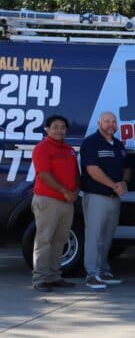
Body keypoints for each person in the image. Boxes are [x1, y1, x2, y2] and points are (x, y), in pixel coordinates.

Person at [80, 112, 130, 290]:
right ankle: (92, 274)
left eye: (114, 121)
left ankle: (102, 271)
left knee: (107, 237)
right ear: (99, 122)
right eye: (107, 121)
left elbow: (126, 168)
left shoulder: (118, 144)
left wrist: (123, 182)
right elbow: (92, 170)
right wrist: (113, 185)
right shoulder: (91, 142)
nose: (111, 124)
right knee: (94, 236)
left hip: (114, 198)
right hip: (97, 197)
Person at [31, 115, 79, 292]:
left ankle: (54, 276)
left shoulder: (69, 149)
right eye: (55, 127)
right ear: (47, 129)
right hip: (48, 200)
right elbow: (44, 174)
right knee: (44, 240)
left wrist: (75, 191)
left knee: (60, 240)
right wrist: (65, 191)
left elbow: (75, 173)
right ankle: (40, 278)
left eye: (63, 127)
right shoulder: (42, 148)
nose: (59, 130)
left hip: (67, 202)